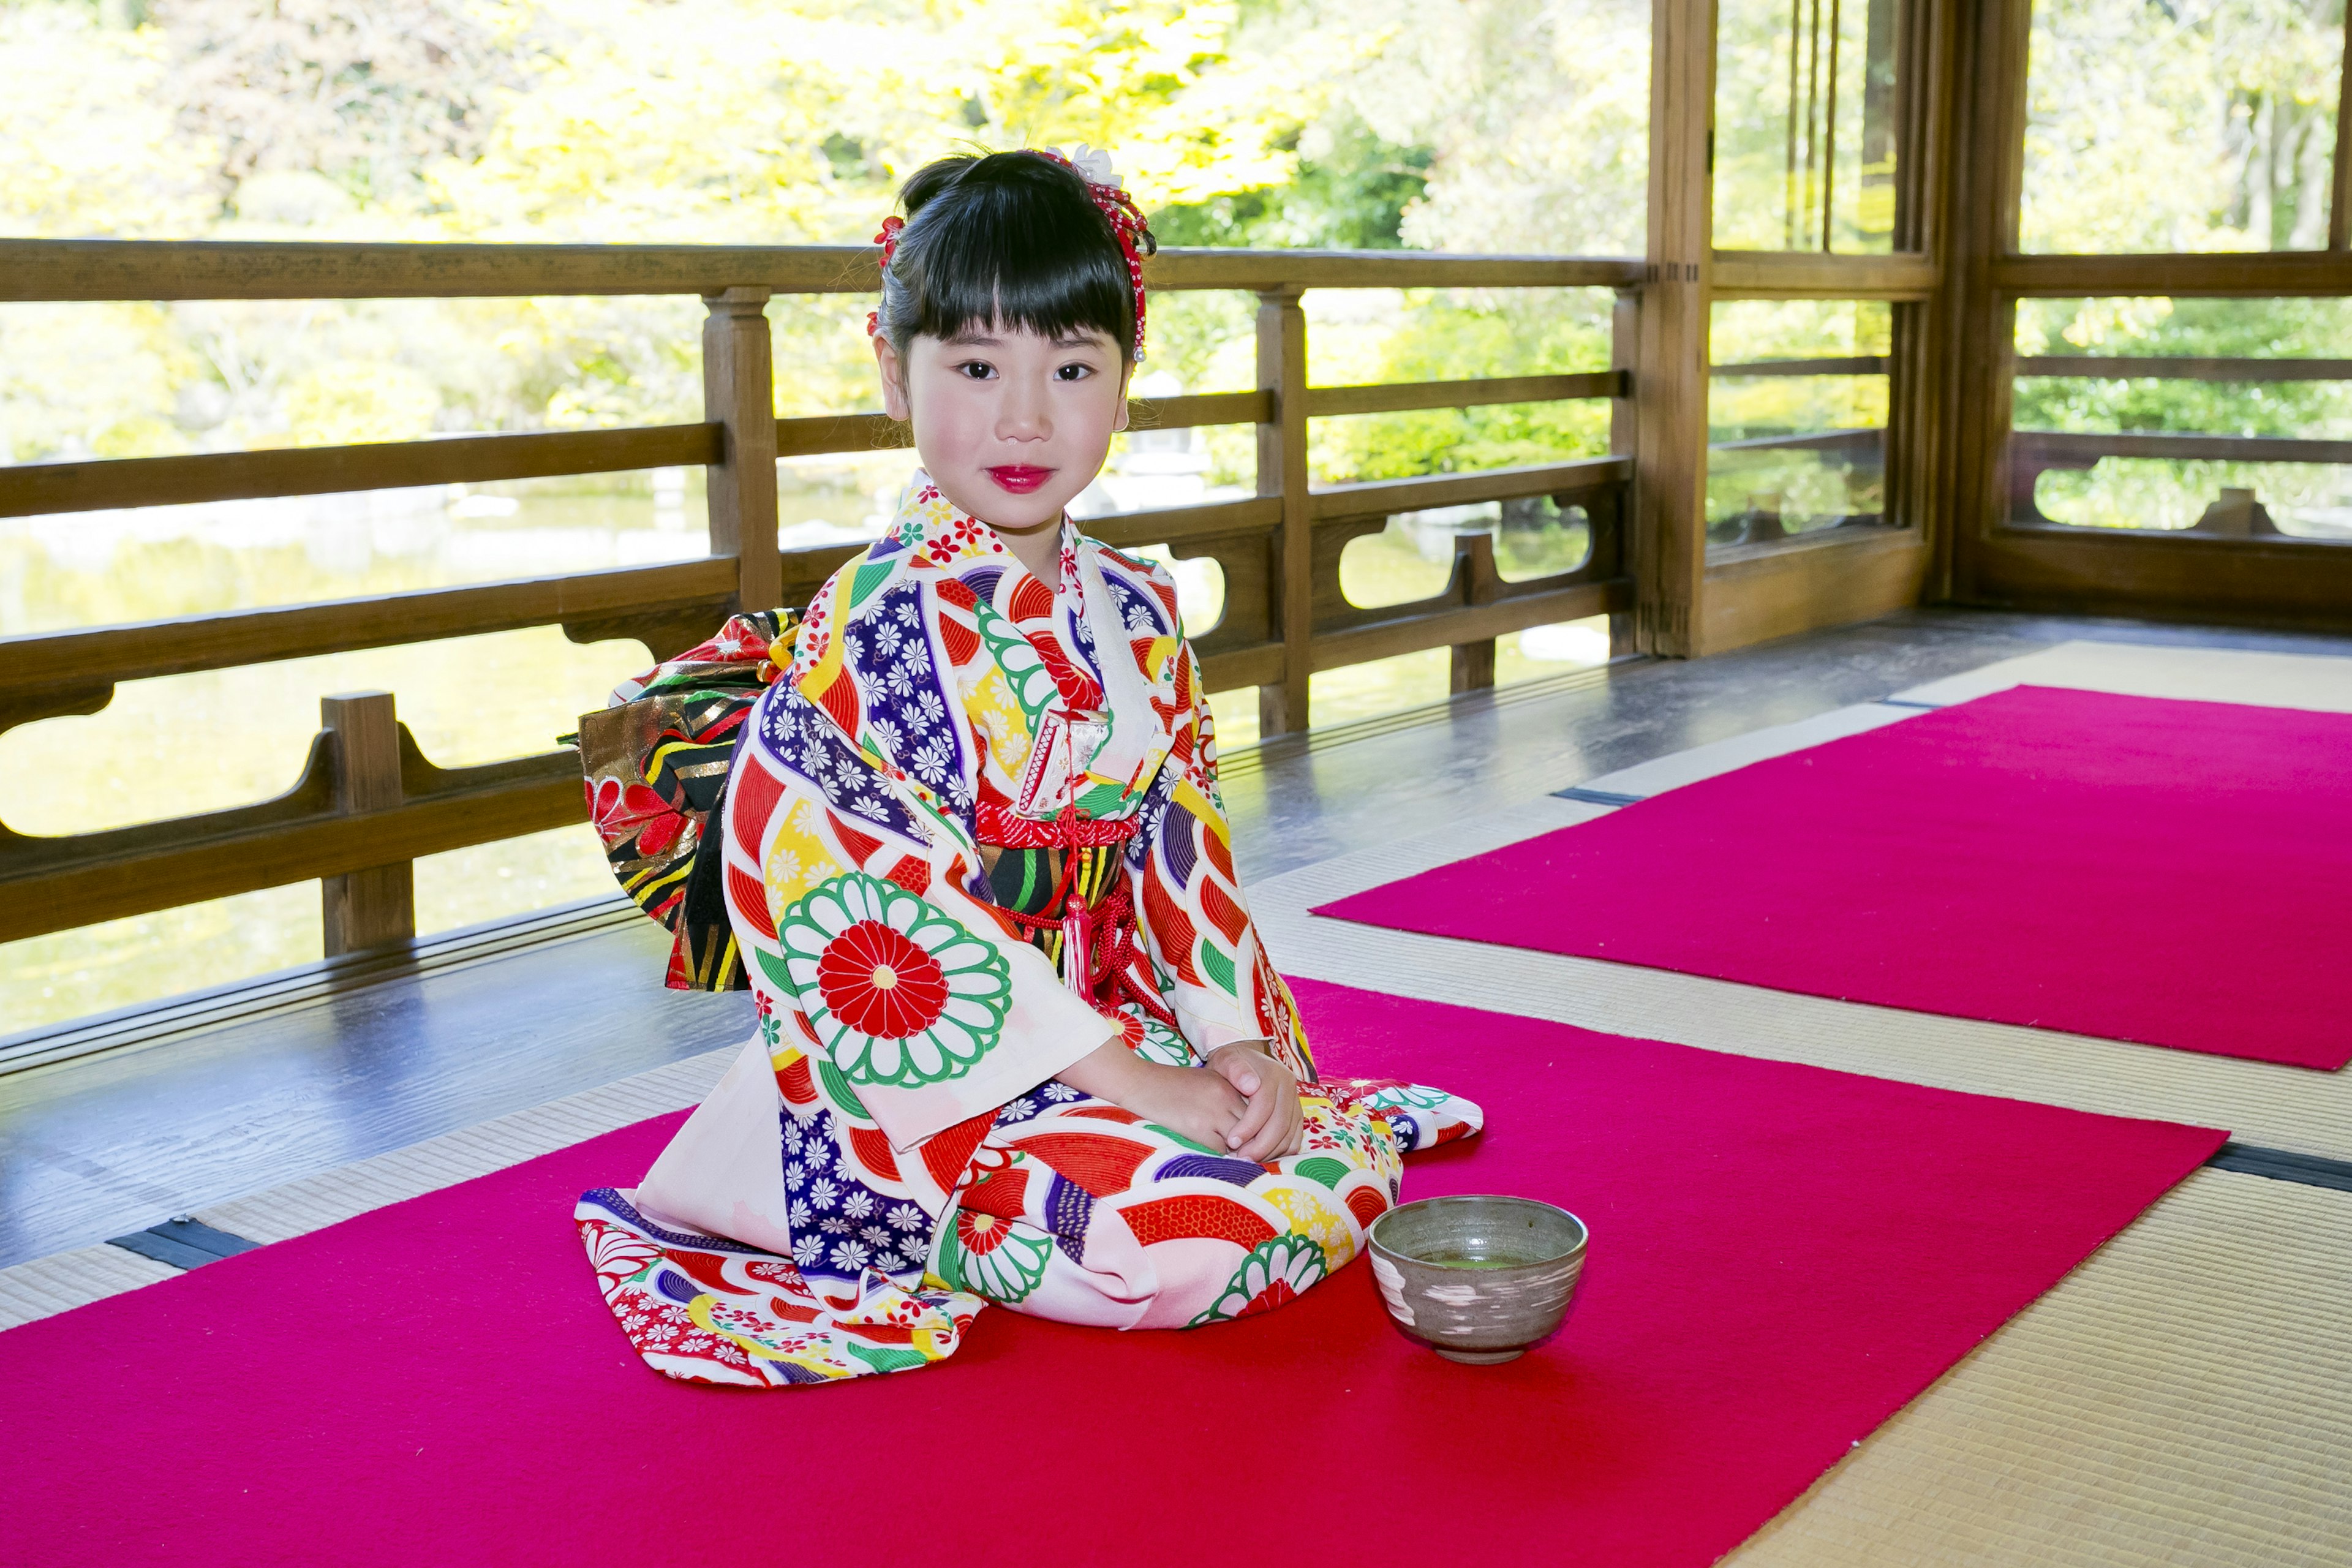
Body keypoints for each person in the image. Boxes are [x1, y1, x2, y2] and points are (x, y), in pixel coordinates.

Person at [576, 146, 1482, 1387]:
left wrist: (1232, 1045)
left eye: (1071, 367)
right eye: (974, 366)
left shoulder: (1139, 604)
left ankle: (1174, 1148)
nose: (1024, 417)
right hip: (906, 1086)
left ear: (1124, 382)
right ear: (894, 374)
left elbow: (1178, 853)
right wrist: (1132, 1081)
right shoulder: (871, 624)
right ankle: (963, 1192)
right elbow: (865, 917)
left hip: (1112, 1018)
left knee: (1291, 1152)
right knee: (1187, 1248)